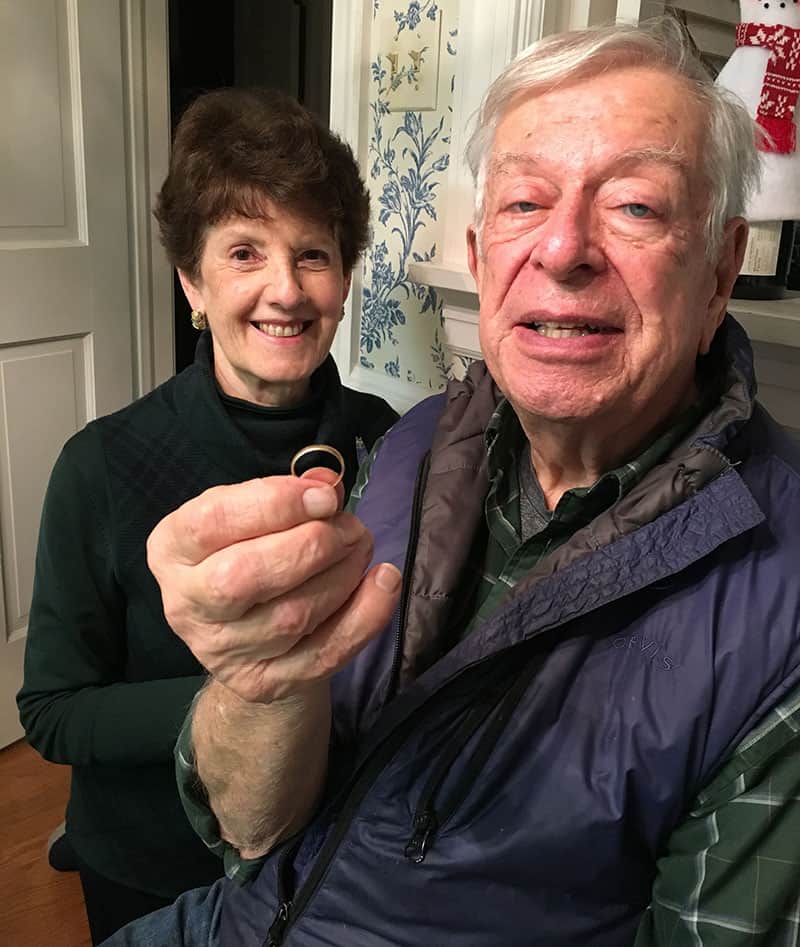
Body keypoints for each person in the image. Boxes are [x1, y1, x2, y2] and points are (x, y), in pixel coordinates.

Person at [108, 17, 800, 947]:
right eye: (523, 203)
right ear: (479, 259)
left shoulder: (784, 598)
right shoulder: (413, 443)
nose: (562, 248)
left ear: (720, 271)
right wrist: (257, 683)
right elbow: (254, 831)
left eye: (635, 204)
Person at [16, 87, 398, 946]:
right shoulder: (100, 466)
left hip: (330, 849)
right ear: (192, 280)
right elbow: (53, 709)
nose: (285, 290)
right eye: (244, 252)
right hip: (153, 864)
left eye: (314, 254)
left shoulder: (393, 444)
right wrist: (248, 704)